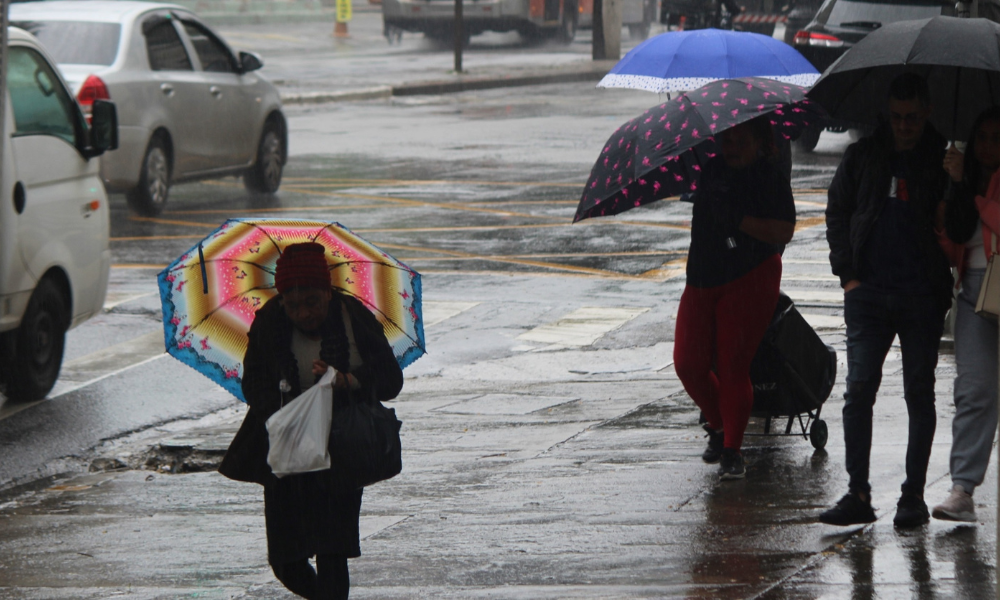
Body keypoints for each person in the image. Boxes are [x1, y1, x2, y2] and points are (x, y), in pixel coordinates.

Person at [218, 242, 404, 600]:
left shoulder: (353, 316)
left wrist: (346, 380)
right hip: (289, 448)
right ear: (281, 300)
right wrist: (283, 405)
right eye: (293, 305)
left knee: (332, 552)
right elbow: (253, 381)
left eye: (312, 302)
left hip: (340, 451)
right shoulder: (270, 322)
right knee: (286, 559)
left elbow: (390, 380)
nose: (303, 313)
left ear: (328, 294)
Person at [820, 73, 953, 528]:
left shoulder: (942, 159)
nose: (904, 126)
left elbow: (957, 227)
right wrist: (848, 277)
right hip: (869, 293)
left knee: (920, 391)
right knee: (858, 391)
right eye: (897, 118)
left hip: (922, 295)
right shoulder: (864, 155)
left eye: (912, 118)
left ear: (927, 112)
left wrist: (954, 184)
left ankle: (912, 495)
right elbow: (837, 210)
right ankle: (858, 493)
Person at [673, 117, 796, 481]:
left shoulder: (768, 176)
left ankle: (732, 450)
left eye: (741, 141)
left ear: (760, 141)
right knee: (688, 363)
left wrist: (739, 220)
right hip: (702, 276)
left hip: (751, 275)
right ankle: (720, 425)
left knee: (732, 366)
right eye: (727, 141)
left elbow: (784, 229)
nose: (733, 148)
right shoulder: (711, 171)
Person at [931, 107, 1000, 522]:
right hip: (975, 294)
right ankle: (962, 489)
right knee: (974, 390)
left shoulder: (981, 184)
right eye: (983, 137)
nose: (989, 146)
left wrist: (974, 194)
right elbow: (953, 232)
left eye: (997, 138)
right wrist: (957, 186)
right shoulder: (962, 177)